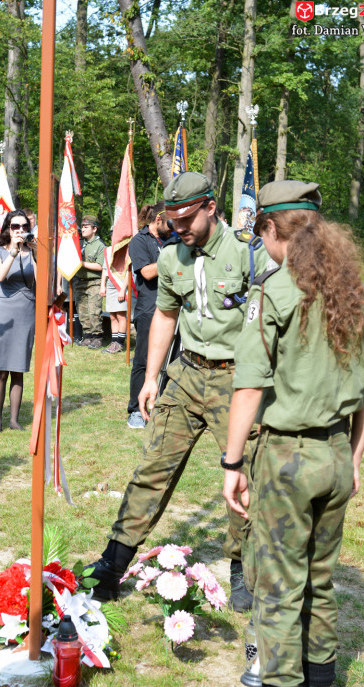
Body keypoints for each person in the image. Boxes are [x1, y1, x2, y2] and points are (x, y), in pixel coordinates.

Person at [222, 180, 364, 687]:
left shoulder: (276, 293)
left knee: (279, 587)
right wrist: (355, 458)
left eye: (261, 231)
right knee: (321, 582)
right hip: (337, 457)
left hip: (288, 459)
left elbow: (249, 386)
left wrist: (232, 462)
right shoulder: (356, 293)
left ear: (274, 230)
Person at [88, 172, 269, 610]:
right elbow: (165, 318)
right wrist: (151, 378)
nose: (180, 228)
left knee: (245, 477)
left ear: (211, 207)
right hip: (186, 375)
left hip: (238, 379)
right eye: (172, 221)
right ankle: (113, 563)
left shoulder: (247, 253)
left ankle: (242, 567)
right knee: (153, 467)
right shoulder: (171, 257)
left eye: (187, 218)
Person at [126, 202, 175, 426]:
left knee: (173, 361)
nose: (174, 228)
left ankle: (162, 407)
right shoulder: (140, 240)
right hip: (149, 308)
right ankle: (136, 410)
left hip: (174, 307)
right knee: (144, 360)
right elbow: (146, 272)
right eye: (170, 223)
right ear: (157, 220)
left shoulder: (173, 240)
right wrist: (173, 256)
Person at [0, 210, 36, 433]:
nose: (20, 230)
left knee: (18, 368)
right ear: (8, 229)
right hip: (4, 310)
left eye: (24, 226)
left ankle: (14, 419)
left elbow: (39, 280)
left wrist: (35, 254)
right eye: (15, 226)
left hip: (27, 309)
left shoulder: (34, 251)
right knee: (1, 369)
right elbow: (0, 276)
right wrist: (13, 252)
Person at [74, 214, 105, 348]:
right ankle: (87, 336)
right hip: (80, 281)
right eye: (82, 226)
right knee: (82, 311)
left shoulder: (100, 245)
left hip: (94, 282)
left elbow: (100, 266)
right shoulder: (79, 244)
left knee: (94, 311)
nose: (83, 229)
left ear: (94, 229)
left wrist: (82, 263)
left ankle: (97, 337)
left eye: (86, 227)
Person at [99, 264, 127, 354]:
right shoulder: (108, 251)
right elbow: (105, 269)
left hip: (122, 284)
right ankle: (114, 342)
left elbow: (128, 272)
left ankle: (120, 343)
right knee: (113, 316)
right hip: (111, 285)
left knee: (120, 316)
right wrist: (102, 285)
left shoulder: (127, 251)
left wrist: (122, 290)